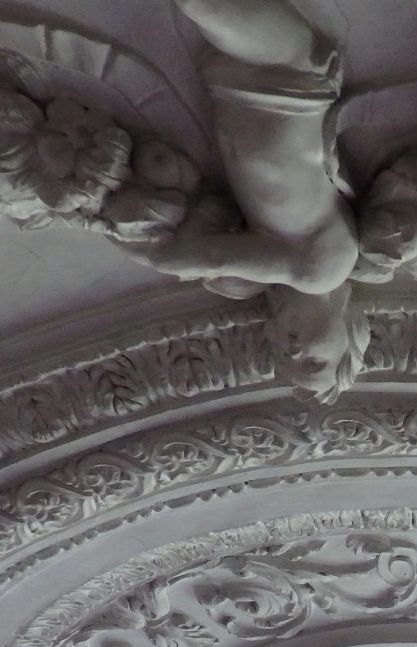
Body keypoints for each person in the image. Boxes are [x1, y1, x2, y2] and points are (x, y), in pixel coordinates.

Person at [134, 0, 370, 400]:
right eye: (314, 361)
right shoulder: (321, 270)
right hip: (287, 73)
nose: (294, 351)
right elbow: (203, 256)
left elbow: (221, 239)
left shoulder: (281, 261)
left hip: (245, 83)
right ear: (350, 332)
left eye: (284, 356)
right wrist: (159, 257)